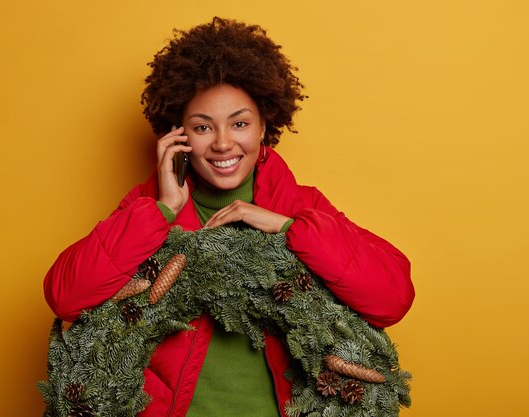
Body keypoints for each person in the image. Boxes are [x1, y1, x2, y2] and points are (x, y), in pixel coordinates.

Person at [43, 17, 414, 417]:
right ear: (177, 135)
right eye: (203, 127)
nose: (222, 143)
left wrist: (288, 228)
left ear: (263, 127)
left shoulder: (299, 205)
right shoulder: (148, 207)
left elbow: (392, 297)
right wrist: (163, 209)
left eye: (239, 123)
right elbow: (65, 296)